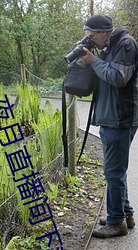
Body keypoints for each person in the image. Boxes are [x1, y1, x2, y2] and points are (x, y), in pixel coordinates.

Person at [80, 15, 138, 238]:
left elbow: (117, 77)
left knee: (113, 171)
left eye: (92, 37)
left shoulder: (126, 44)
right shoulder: (109, 46)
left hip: (120, 118)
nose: (91, 41)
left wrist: (93, 61)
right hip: (110, 117)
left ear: (104, 32)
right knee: (115, 171)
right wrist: (90, 60)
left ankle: (116, 223)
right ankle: (125, 214)